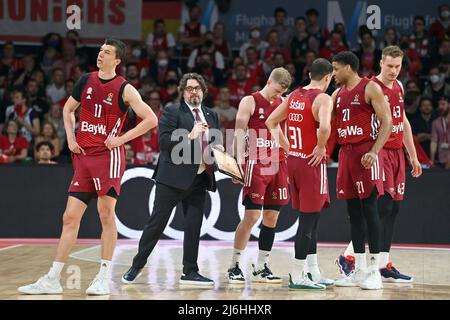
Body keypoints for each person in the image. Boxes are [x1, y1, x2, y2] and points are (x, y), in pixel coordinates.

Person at [18, 39, 158, 295]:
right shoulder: (85, 80)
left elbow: (151, 119)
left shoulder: (124, 88)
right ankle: (53, 278)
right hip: (83, 157)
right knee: (69, 217)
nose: (101, 54)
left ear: (117, 60)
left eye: (107, 52)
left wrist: (121, 139)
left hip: (108, 157)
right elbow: (68, 110)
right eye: (100, 51)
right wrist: (70, 138)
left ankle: (104, 276)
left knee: (106, 215)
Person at [122, 73, 223, 286]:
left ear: (203, 91)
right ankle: (137, 265)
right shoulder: (172, 111)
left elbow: (214, 144)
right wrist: (189, 135)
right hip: (172, 179)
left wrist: (220, 151)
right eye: (189, 88)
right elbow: (165, 143)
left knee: (194, 225)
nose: (193, 91)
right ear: (183, 92)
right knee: (156, 224)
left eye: (197, 88)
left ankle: (190, 271)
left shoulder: (211, 115)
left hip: (199, 178)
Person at [336, 46, 422, 283]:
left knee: (392, 209)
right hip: (377, 151)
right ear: (380, 64)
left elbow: (402, 122)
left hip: (396, 153)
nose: (394, 71)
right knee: (376, 208)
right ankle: (351, 256)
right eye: (390, 66)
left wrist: (412, 155)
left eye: (398, 66)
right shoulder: (370, 87)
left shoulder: (400, 87)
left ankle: (383, 262)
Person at [265, 59, 335, 290]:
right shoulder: (323, 98)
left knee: (310, 220)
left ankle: (313, 271)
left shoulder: (294, 95)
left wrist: (287, 147)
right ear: (328, 77)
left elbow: (271, 121)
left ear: (309, 73)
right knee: (308, 222)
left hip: (293, 161)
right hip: (310, 162)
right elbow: (324, 127)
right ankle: (297, 275)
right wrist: (321, 146)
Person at [330, 51, 392, 290]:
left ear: (348, 67)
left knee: (369, 209)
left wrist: (375, 151)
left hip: (367, 152)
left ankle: (374, 271)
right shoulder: (337, 94)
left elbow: (387, 121)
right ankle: (356, 271)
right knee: (353, 213)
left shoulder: (370, 88)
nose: (333, 73)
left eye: (336, 69)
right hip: (346, 154)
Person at [227, 68, 291, 284]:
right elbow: (238, 131)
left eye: (281, 92)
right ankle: (235, 265)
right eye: (276, 90)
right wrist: (236, 164)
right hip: (255, 163)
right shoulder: (250, 100)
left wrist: (289, 148)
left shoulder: (282, 102)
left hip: (278, 163)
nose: (277, 95)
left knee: (272, 217)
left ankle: (261, 266)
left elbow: (279, 131)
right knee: (252, 216)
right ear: (269, 81)